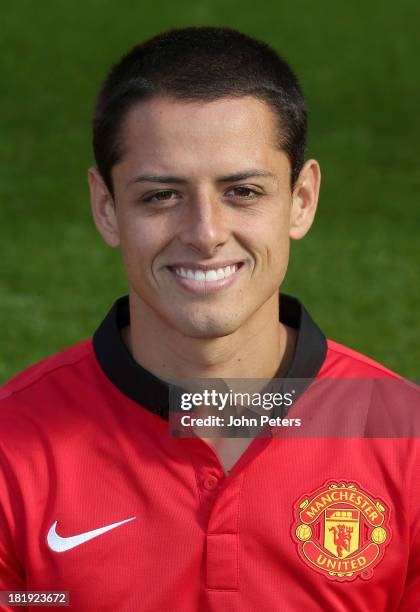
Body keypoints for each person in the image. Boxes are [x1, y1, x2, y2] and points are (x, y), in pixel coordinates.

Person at [0, 26, 419, 612]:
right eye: (161, 196)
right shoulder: (10, 449)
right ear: (106, 208)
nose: (205, 234)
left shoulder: (409, 443)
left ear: (301, 200)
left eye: (243, 191)